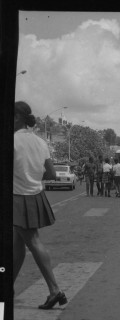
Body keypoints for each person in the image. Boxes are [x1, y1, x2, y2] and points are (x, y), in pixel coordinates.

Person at [13, 101, 67, 309]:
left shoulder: (13, 141)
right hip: (35, 194)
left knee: (33, 241)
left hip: (18, 197)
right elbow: (51, 174)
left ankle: (55, 290)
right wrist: (33, 175)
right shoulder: (40, 142)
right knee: (17, 244)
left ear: (17, 117)